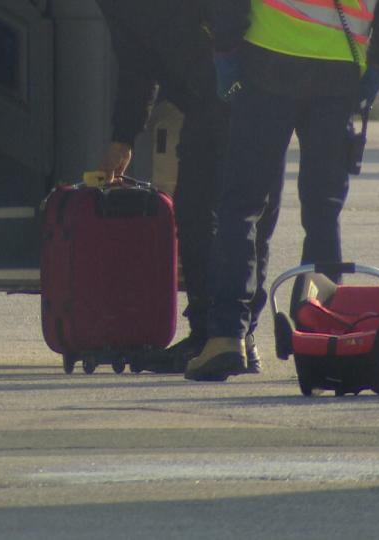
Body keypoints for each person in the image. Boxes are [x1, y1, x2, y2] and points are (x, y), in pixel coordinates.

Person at [185, 0, 379, 381]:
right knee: (323, 213)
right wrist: (376, 69)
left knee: (242, 206)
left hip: (265, 67)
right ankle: (325, 331)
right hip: (339, 73)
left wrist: (225, 53)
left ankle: (226, 337)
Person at [96, 0, 261, 373]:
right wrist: (123, 137)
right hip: (217, 94)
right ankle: (231, 335)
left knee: (213, 213)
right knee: (217, 213)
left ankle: (218, 335)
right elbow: (136, 64)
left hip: (236, 89)